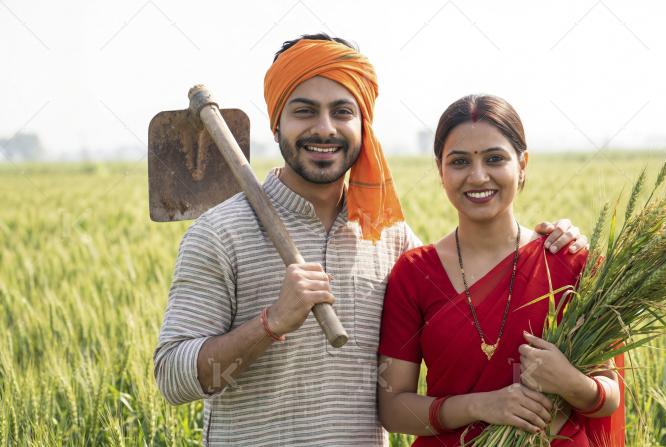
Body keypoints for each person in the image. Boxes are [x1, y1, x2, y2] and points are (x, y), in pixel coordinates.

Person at [153, 34, 587, 446]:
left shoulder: (390, 237)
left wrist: (550, 245)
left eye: (342, 112)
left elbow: (479, 299)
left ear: (364, 125)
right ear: (276, 123)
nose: (325, 128)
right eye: (304, 111)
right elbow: (173, 378)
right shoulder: (219, 233)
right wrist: (271, 324)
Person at [377, 94, 624, 446]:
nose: (478, 177)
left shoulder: (571, 262)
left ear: (522, 164)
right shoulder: (415, 274)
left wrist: (569, 381)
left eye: (495, 159)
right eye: (459, 161)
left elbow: (609, 395)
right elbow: (394, 408)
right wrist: (482, 405)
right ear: (440, 171)